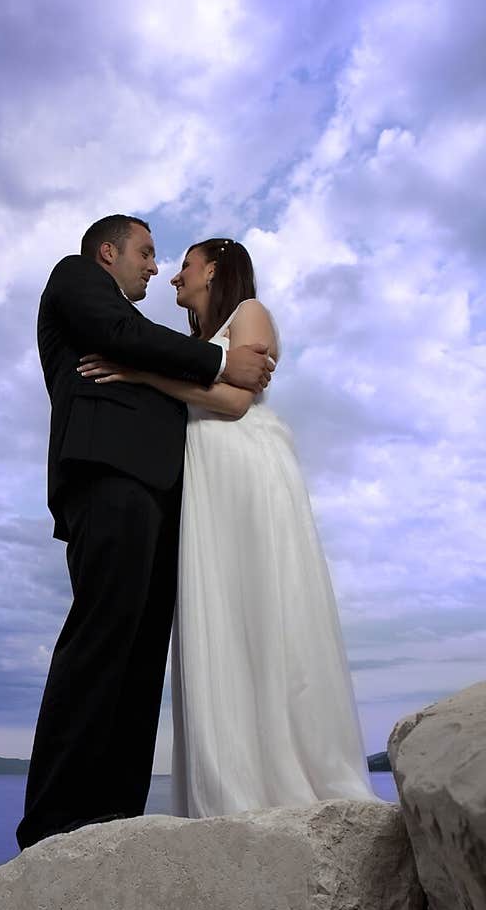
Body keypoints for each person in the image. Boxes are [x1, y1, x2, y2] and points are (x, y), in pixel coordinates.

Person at [77, 237, 375, 816]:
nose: (172, 277)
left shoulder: (249, 313)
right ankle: (232, 780)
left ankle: (288, 773)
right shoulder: (193, 346)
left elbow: (236, 403)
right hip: (206, 481)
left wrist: (139, 375)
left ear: (214, 267)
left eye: (184, 265)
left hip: (245, 469)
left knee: (262, 607)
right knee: (220, 617)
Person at [16, 218, 273, 849]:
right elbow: (120, 334)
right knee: (102, 639)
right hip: (109, 475)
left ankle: (116, 812)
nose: (155, 268)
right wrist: (221, 358)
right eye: (147, 253)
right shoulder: (75, 278)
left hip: (160, 495)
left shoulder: (141, 324)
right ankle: (52, 820)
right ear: (109, 252)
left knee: (141, 657)